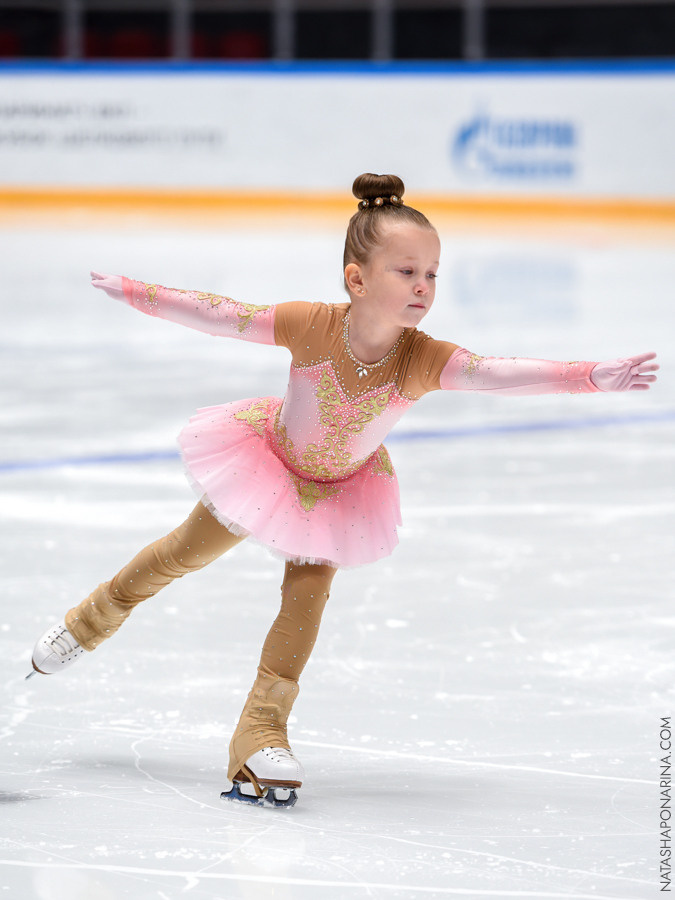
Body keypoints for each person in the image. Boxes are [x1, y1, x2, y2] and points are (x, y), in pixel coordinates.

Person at [28, 173, 658, 807]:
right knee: (179, 555)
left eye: (433, 274)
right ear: (358, 279)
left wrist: (589, 377)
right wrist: (139, 292)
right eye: (407, 271)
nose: (423, 287)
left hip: (337, 493)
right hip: (268, 466)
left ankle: (260, 734)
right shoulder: (312, 325)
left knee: (305, 604)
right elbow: (220, 314)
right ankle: (87, 623)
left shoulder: (423, 359)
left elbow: (499, 375)